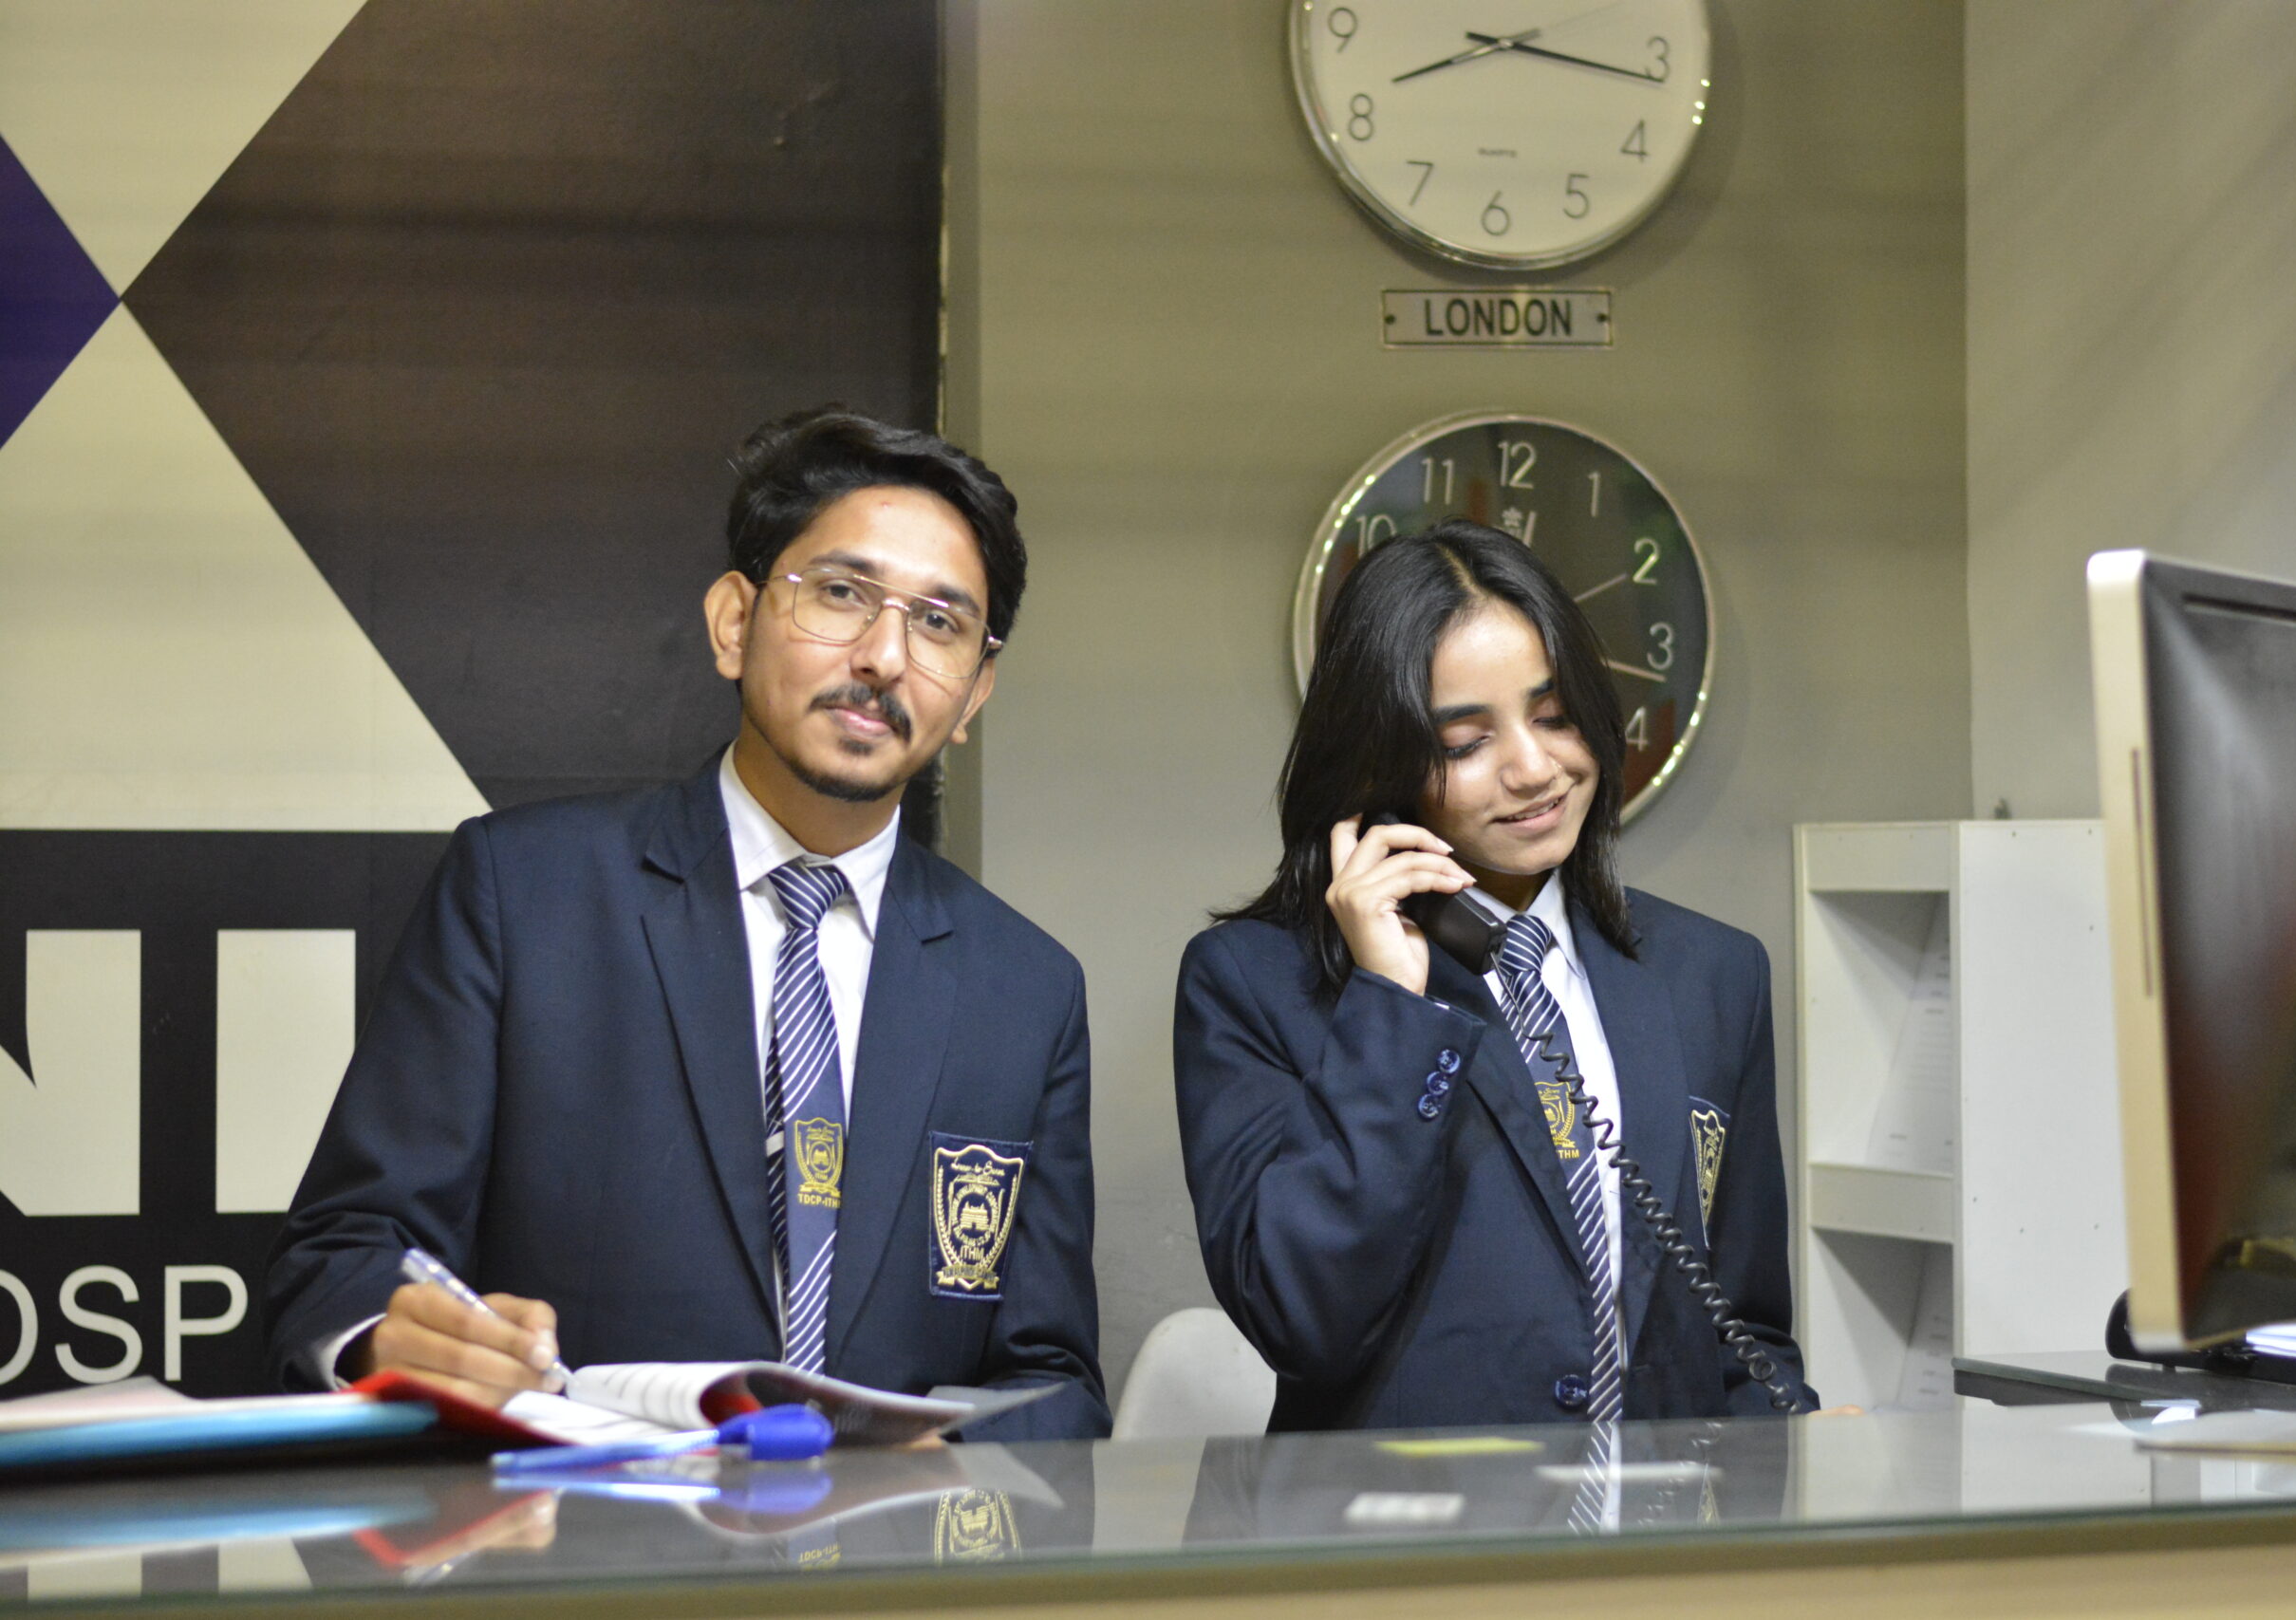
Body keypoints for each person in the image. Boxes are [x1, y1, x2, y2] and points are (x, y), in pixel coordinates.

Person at [264, 407, 1107, 1441]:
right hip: (578, 1528)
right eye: (841, 593)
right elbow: (343, 1257)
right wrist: (391, 1338)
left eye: (939, 623)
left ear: (974, 692)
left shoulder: (1025, 988)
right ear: (732, 623)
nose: (885, 656)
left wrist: (943, 1460)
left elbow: (1054, 1379)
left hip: (892, 1540)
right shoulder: (524, 894)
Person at [1173, 519, 1814, 1430]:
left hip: (1662, 1514)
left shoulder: (1714, 973)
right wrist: (1390, 1004)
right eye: (1467, 742)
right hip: (1412, 1515)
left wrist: (1796, 1455)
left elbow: (1743, 1332)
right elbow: (1299, 1317)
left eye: (1554, 716)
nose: (1534, 768)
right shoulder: (1252, 983)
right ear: (1378, 770)